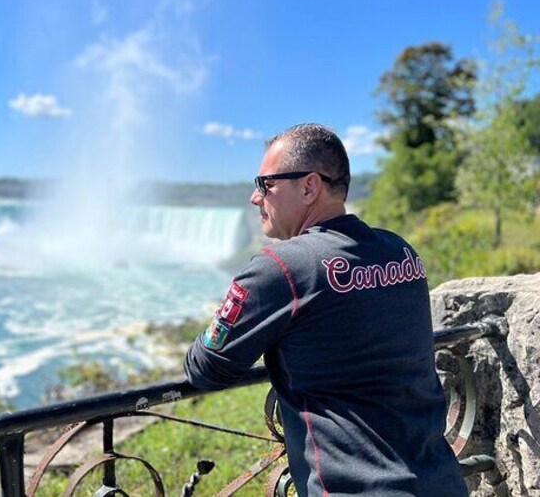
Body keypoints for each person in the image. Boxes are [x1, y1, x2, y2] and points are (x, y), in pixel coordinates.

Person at [183, 124, 467, 496]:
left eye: (265, 184)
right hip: (441, 480)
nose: (255, 197)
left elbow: (207, 368)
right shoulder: (400, 250)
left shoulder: (281, 268)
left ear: (309, 186)